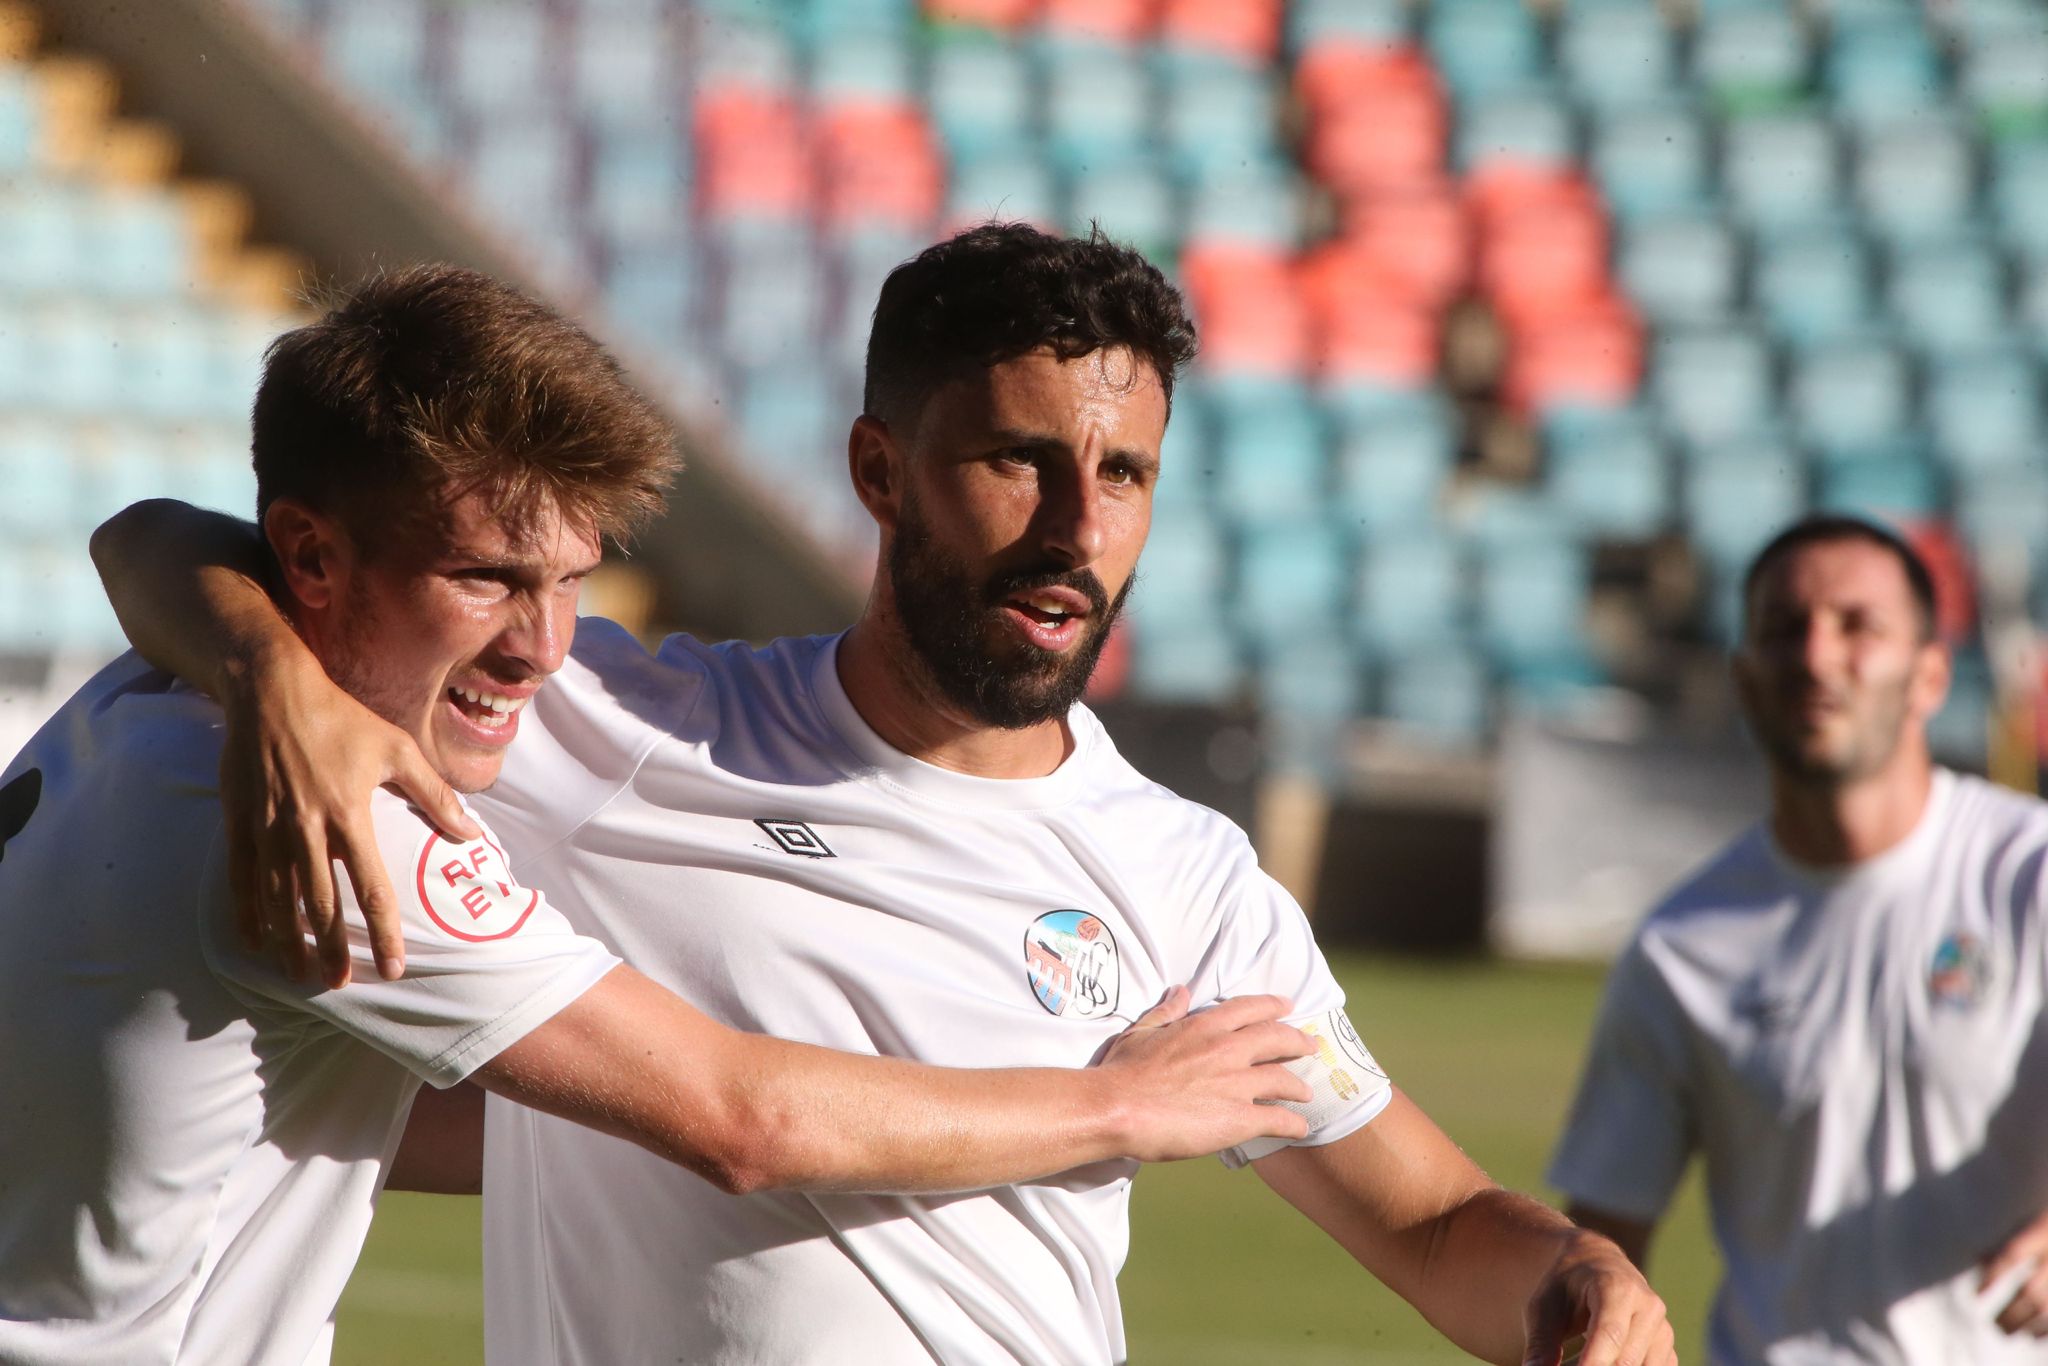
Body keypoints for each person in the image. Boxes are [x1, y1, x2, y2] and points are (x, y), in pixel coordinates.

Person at [96, 226, 1674, 1366]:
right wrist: (272, 679)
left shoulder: (1187, 876)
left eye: (1124, 476)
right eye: (1017, 461)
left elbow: (1428, 1218)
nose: (1077, 526)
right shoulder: (613, 724)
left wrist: (1580, 1281)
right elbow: (157, 543)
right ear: (877, 467)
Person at [1550, 514, 2048, 1364]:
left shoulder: (2028, 876)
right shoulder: (1683, 944)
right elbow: (1603, 1242)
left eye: (1858, 627)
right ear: (1744, 680)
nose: (1817, 658)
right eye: (1785, 631)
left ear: (1930, 676)